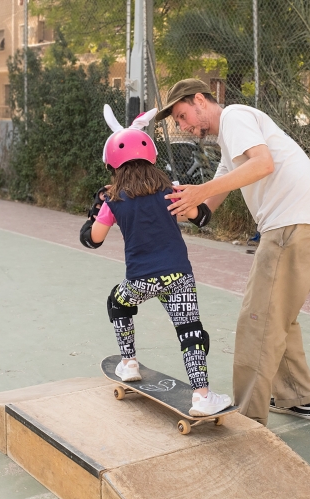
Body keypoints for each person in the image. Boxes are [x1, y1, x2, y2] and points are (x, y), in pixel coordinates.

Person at [157, 78, 310, 425]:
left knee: (258, 322)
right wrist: (182, 204)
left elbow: (264, 164)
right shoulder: (230, 146)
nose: (183, 125)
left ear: (201, 100)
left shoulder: (234, 116)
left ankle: (247, 419)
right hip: (308, 224)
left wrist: (200, 188)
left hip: (291, 225)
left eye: (183, 115)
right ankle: (298, 399)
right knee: (278, 318)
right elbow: (205, 210)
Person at [79, 104, 231, 416]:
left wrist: (97, 207)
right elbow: (200, 218)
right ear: (151, 155)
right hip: (178, 276)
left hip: (140, 280)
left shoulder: (113, 199)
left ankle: (128, 362)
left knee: (118, 303)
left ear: (113, 164)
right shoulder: (171, 191)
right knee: (191, 331)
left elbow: (92, 239)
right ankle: (202, 396)